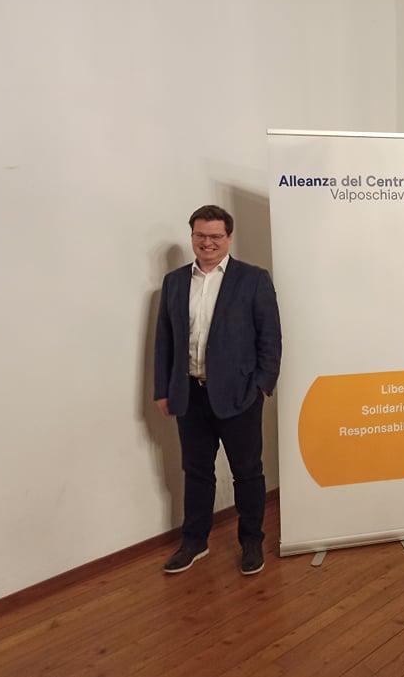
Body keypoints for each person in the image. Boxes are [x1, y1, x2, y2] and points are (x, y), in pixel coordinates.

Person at [154, 205, 282, 576]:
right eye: (200, 235)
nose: (207, 242)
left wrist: (262, 385)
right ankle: (195, 542)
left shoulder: (253, 279)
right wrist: (163, 389)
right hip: (189, 395)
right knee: (196, 472)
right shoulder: (175, 282)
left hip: (240, 395)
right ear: (192, 236)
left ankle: (251, 541)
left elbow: (270, 337)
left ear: (228, 237)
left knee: (247, 472)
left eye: (215, 236)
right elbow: (164, 340)